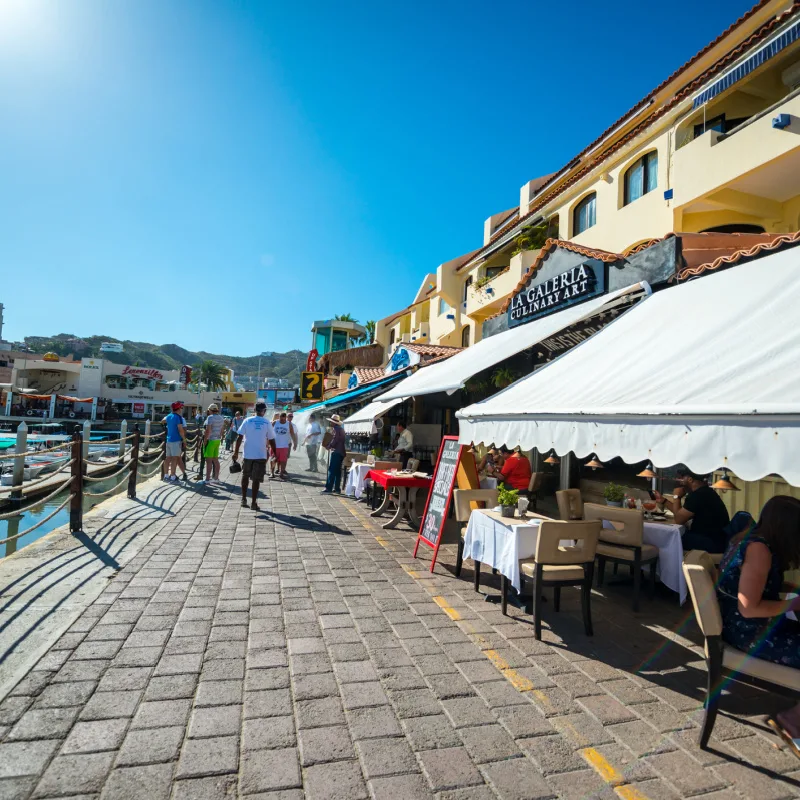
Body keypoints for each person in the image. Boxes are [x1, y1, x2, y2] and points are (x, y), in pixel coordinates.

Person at [717, 496, 800, 756]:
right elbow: (748, 607)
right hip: (748, 632)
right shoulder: (759, 550)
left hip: (740, 625)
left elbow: (754, 586)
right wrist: (795, 604)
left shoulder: (748, 538)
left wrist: (790, 593)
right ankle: (792, 720)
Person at [654, 467, 730, 553]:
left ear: (690, 479)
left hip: (710, 543)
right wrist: (663, 501)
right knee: (673, 535)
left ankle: (664, 565)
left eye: (683, 477)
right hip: (717, 541)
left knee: (667, 537)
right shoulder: (706, 492)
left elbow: (678, 520)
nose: (680, 480)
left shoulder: (697, 496)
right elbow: (681, 514)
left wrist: (676, 496)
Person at [232, 401, 276, 511]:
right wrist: (274, 453)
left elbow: (239, 437)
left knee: (245, 476)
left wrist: (236, 452)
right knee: (256, 480)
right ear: (264, 411)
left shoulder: (247, 421)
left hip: (247, 454)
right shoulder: (266, 423)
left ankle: (243, 499)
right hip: (260, 455)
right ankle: (253, 503)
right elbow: (271, 439)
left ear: (255, 410)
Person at [163, 401, 187, 482]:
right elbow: (180, 430)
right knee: (175, 459)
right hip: (176, 441)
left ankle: (166, 475)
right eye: (181, 407)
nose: (182, 409)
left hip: (168, 440)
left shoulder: (169, 416)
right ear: (179, 408)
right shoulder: (178, 417)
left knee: (167, 459)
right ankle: (173, 476)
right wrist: (184, 440)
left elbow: (163, 421)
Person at [202, 403, 225, 485]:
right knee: (215, 460)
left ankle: (207, 479)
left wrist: (205, 440)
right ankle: (216, 478)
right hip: (217, 440)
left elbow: (208, 430)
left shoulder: (210, 418)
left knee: (208, 461)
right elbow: (222, 430)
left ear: (210, 410)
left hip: (211, 440)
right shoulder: (221, 418)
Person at [323, 414, 346, 494]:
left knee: (332, 470)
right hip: (341, 452)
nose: (330, 423)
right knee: (337, 471)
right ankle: (337, 488)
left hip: (336, 452)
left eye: (331, 422)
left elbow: (335, 440)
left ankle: (329, 488)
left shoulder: (336, 429)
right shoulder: (340, 429)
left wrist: (329, 446)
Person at [271, 411, 296, 480]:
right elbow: (268, 432)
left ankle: (281, 474)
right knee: (273, 459)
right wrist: (267, 442)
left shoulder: (289, 424)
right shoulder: (275, 422)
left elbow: (292, 434)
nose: (281, 420)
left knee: (283, 460)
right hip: (275, 445)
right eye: (280, 419)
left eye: (283, 419)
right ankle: (272, 473)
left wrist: (295, 443)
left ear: (285, 418)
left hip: (284, 446)